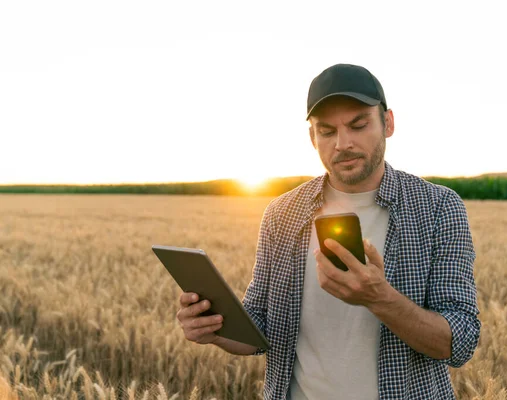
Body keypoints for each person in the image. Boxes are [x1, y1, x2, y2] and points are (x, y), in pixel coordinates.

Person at [176, 63, 480, 399]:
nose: (342, 143)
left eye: (358, 125)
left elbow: (461, 342)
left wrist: (379, 298)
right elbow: (260, 330)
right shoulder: (282, 214)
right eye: (327, 131)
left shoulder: (437, 207)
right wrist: (216, 330)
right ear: (312, 137)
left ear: (388, 123)